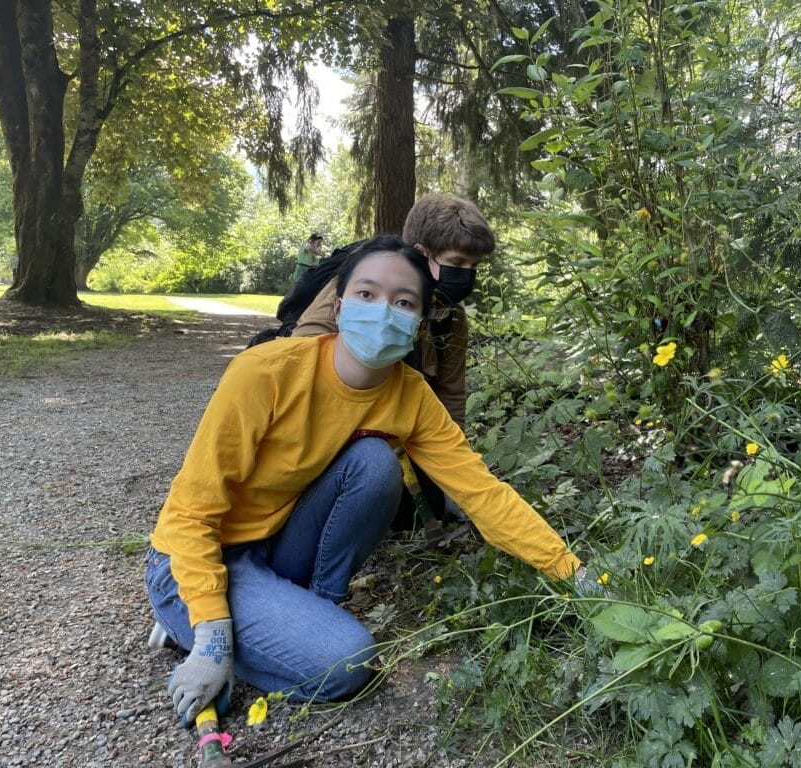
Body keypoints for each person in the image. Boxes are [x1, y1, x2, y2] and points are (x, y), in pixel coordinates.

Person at [145, 236, 583, 725]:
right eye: (367, 295)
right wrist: (212, 636)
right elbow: (191, 511)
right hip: (191, 559)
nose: (383, 311)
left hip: (273, 546)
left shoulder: (411, 396)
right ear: (338, 306)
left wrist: (572, 572)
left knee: (375, 462)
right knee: (348, 664)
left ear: (418, 323)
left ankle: (302, 615)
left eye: (403, 302)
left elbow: (482, 493)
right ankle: (184, 621)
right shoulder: (264, 373)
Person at [292, 195, 494, 523]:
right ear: (422, 252)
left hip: (405, 422)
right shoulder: (362, 286)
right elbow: (302, 352)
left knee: (419, 515)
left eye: (474, 267)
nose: (466, 276)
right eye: (457, 264)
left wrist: (456, 471)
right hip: (336, 423)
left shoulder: (451, 317)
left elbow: (451, 393)